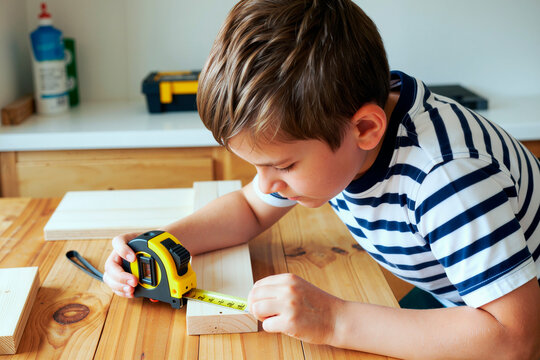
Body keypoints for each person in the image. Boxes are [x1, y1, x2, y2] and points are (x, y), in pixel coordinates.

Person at [103, 0, 540, 358]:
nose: (269, 184)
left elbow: (514, 339)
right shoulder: (337, 124)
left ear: (366, 130)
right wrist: (161, 245)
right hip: (467, 300)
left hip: (505, 320)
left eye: (284, 166)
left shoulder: (447, 179)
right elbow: (251, 209)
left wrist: (333, 320)